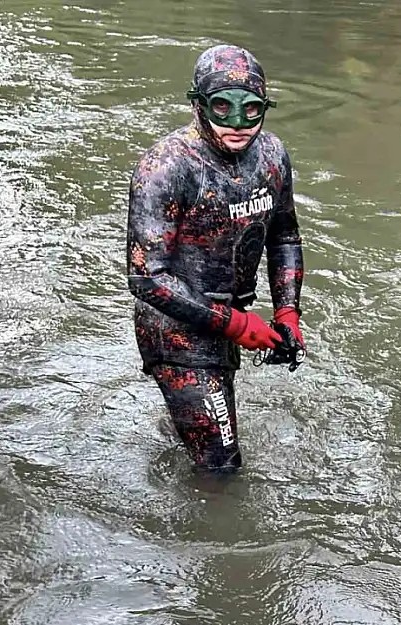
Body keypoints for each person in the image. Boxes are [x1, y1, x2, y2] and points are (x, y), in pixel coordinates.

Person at [126, 43, 305, 474]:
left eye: (252, 110)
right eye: (223, 108)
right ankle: (199, 537)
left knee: (204, 426)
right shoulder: (166, 167)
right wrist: (238, 325)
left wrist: (287, 311)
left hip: (228, 319)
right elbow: (146, 276)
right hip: (176, 332)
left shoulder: (272, 156)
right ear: (199, 105)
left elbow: (284, 236)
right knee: (221, 465)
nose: (239, 124)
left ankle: (177, 430)